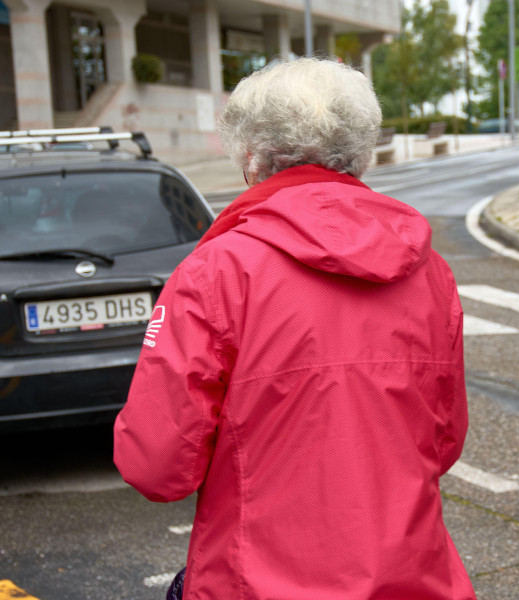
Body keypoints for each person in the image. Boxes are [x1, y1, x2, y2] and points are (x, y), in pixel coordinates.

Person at [113, 58, 474, 600]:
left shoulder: (218, 272)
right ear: (360, 154)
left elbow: (158, 466)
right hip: (412, 577)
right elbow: (443, 442)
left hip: (258, 581)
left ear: (252, 159)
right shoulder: (429, 270)